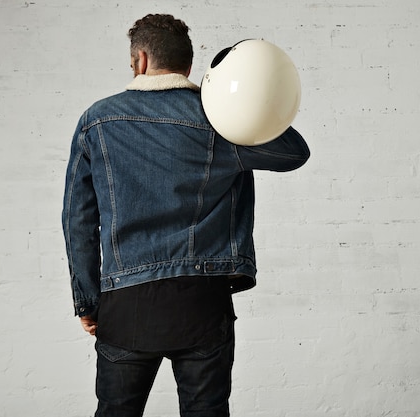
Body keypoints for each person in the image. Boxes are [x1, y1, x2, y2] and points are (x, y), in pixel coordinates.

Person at [62, 13, 310, 417]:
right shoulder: (219, 121)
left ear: (139, 60)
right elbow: (293, 151)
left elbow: (78, 221)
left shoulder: (97, 121)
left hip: (126, 305)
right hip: (201, 302)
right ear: (190, 66)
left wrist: (88, 301)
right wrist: (233, 100)